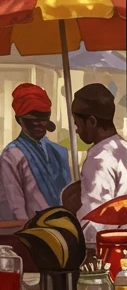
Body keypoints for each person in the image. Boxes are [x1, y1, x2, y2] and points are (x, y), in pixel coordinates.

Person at [68, 83, 127, 248]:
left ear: (92, 121)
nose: (77, 130)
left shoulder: (98, 159)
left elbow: (94, 220)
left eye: (77, 124)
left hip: (107, 250)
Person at [0, 83, 71, 221]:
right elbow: (15, 206)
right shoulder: (12, 155)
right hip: (33, 231)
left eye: (43, 119)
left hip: (64, 226)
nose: (39, 124)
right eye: (32, 120)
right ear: (19, 120)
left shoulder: (59, 152)